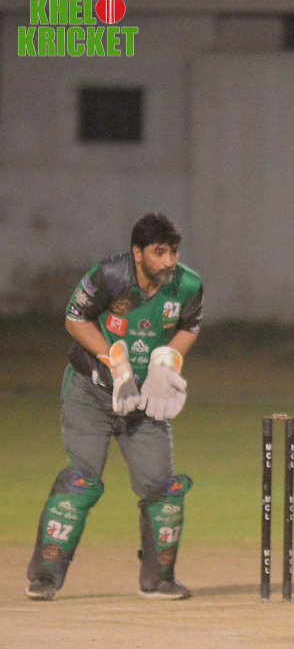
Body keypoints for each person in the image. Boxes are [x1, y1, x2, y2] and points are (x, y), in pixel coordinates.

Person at [25, 212, 203, 601]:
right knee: (81, 481)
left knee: (164, 490)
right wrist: (115, 363)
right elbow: (75, 319)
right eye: (159, 252)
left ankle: (158, 579)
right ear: (138, 252)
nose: (169, 261)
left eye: (173, 252)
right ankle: (46, 576)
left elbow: (190, 326)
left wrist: (166, 362)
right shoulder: (108, 276)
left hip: (145, 399)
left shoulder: (188, 284)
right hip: (91, 394)